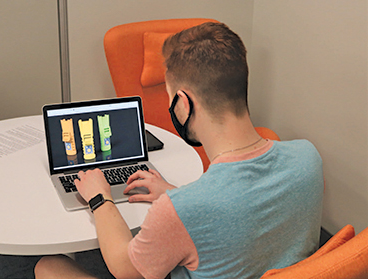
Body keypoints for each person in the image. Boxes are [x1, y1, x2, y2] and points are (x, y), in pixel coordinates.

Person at [34, 22, 324, 279]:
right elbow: (241, 208)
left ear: (183, 104)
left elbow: (124, 268)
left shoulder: (179, 211)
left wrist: (99, 197)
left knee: (46, 266)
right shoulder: (308, 158)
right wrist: (174, 191)